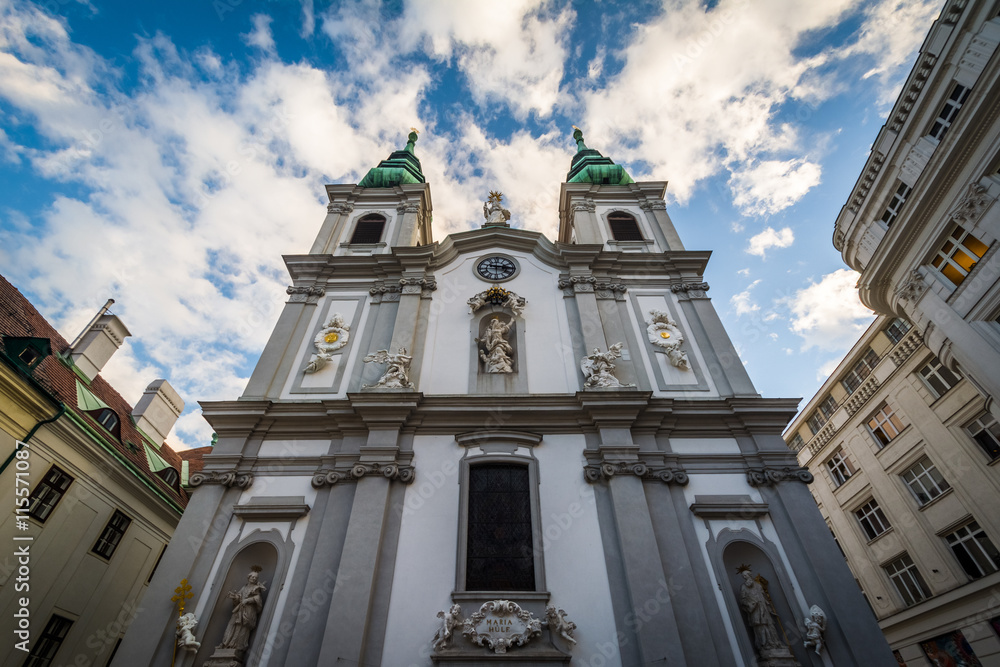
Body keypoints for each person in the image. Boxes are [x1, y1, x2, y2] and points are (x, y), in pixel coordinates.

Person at [219, 567, 266, 651]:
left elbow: (258, 598)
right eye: (252, 577)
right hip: (238, 610)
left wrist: (248, 600)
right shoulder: (244, 587)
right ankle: (225, 643)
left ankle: (236, 646)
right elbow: (239, 597)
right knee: (231, 625)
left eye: (255, 577)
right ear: (249, 577)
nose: (254, 578)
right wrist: (235, 597)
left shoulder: (256, 588)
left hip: (248, 611)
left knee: (242, 628)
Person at [738, 568, 783, 653]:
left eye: (746, 575)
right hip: (754, 609)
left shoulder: (758, 585)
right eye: (743, 576)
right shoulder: (743, 587)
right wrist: (750, 604)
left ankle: (774, 643)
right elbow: (742, 600)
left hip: (763, 608)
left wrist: (769, 608)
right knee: (760, 627)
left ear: (750, 575)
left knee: (770, 625)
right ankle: (764, 645)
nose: (745, 577)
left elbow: (765, 598)